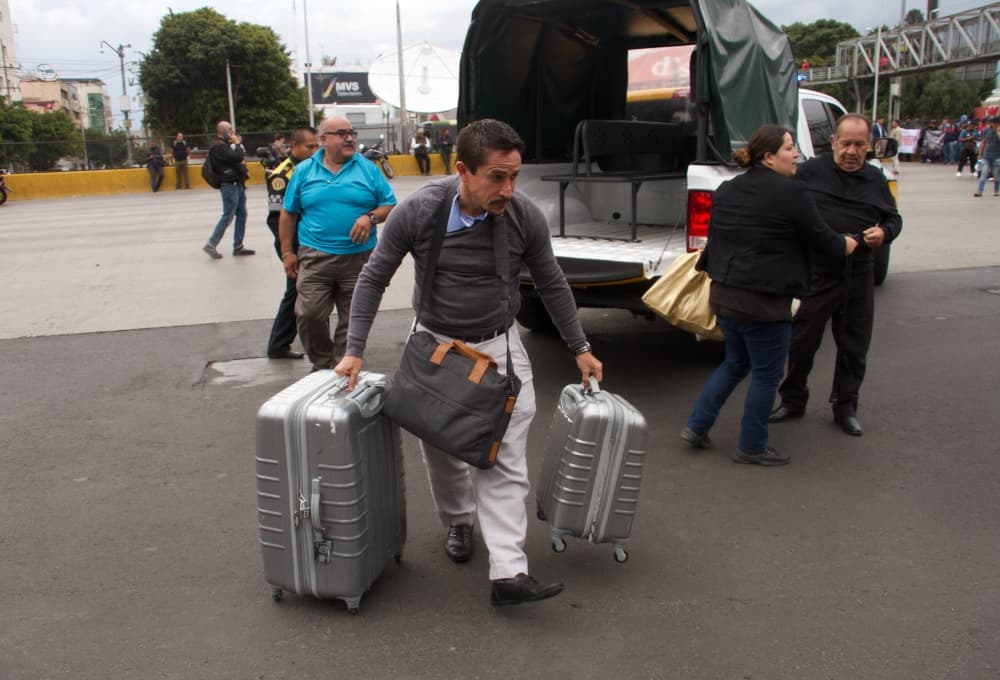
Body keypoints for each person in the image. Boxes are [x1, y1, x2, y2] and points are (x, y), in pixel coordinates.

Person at [334, 118, 604, 606]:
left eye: (514, 176)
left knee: (504, 453)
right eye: (496, 177)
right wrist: (354, 349)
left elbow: (551, 282)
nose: (508, 189)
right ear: (463, 170)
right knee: (441, 447)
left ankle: (508, 572)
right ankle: (459, 521)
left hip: (499, 344)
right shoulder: (419, 211)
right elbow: (373, 278)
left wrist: (580, 348)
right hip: (435, 344)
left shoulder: (523, 215)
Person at [681, 125, 857, 467]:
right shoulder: (792, 193)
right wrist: (848, 243)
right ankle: (752, 446)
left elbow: (715, 243)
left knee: (735, 363)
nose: (796, 154)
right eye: (789, 148)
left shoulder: (727, 189)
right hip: (765, 303)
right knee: (766, 375)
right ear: (769, 157)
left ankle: (697, 425)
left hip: (724, 297)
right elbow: (824, 239)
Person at [770, 114, 902, 437]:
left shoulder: (875, 179)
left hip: (858, 272)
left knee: (854, 345)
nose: (851, 151)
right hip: (818, 272)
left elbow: (893, 219)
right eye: (845, 144)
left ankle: (845, 407)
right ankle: (793, 399)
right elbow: (783, 205)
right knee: (802, 341)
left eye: (859, 145)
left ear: (869, 146)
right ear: (833, 142)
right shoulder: (810, 172)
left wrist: (884, 233)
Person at [278, 117, 397, 371]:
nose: (350, 138)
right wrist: (287, 252)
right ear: (324, 139)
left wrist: (370, 217)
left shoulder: (367, 169)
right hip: (314, 256)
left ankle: (342, 366)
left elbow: (389, 204)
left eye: (352, 133)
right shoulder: (304, 171)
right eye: (342, 133)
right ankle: (323, 364)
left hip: (359, 258)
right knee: (309, 314)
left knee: (353, 317)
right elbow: (288, 213)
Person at [264, 126, 319, 360]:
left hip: (310, 241)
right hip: (293, 244)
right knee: (296, 292)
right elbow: (276, 218)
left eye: (317, 146)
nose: (314, 151)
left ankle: (280, 343)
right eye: (309, 147)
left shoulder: (313, 168)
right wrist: (290, 251)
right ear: (294, 146)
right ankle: (279, 343)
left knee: (299, 292)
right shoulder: (282, 174)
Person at [202, 121, 255, 259]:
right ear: (223, 131)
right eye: (230, 130)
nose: (232, 132)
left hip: (237, 183)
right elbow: (238, 157)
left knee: (242, 214)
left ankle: (238, 245)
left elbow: (237, 159)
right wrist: (237, 143)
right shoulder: (218, 147)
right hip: (229, 185)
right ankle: (211, 244)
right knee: (228, 215)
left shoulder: (224, 146)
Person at [973, 117, 1000, 197]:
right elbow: (983, 142)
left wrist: (997, 132)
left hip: (997, 157)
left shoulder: (998, 131)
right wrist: (980, 155)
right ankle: (979, 191)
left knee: (996, 175)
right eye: (990, 122)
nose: (990, 124)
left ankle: (996, 191)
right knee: (984, 174)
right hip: (987, 155)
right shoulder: (986, 130)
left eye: (992, 122)